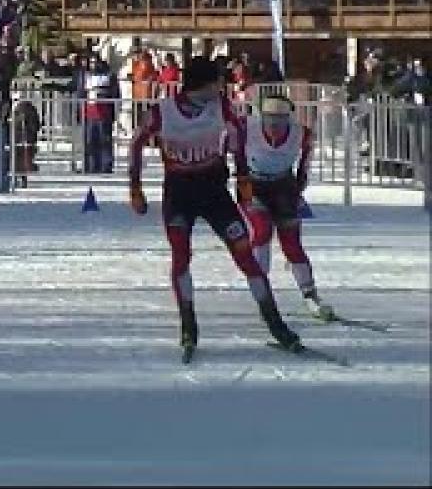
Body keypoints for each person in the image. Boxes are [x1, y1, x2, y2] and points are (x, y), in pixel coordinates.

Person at [127, 56, 301, 358]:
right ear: (203, 85)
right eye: (216, 82)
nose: (221, 87)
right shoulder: (163, 112)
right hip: (180, 193)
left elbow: (241, 133)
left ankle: (275, 322)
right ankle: (188, 324)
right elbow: (136, 142)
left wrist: (242, 174)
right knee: (181, 255)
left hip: (213, 190)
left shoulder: (219, 106)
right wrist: (135, 187)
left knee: (244, 252)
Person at [239, 95, 333, 320]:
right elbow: (228, 144)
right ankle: (263, 293)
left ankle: (309, 293)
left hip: (283, 186)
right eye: (269, 120)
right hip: (253, 185)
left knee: (291, 243)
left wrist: (300, 184)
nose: (274, 127)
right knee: (261, 231)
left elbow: (306, 159)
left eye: (280, 122)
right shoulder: (246, 127)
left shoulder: (301, 133)